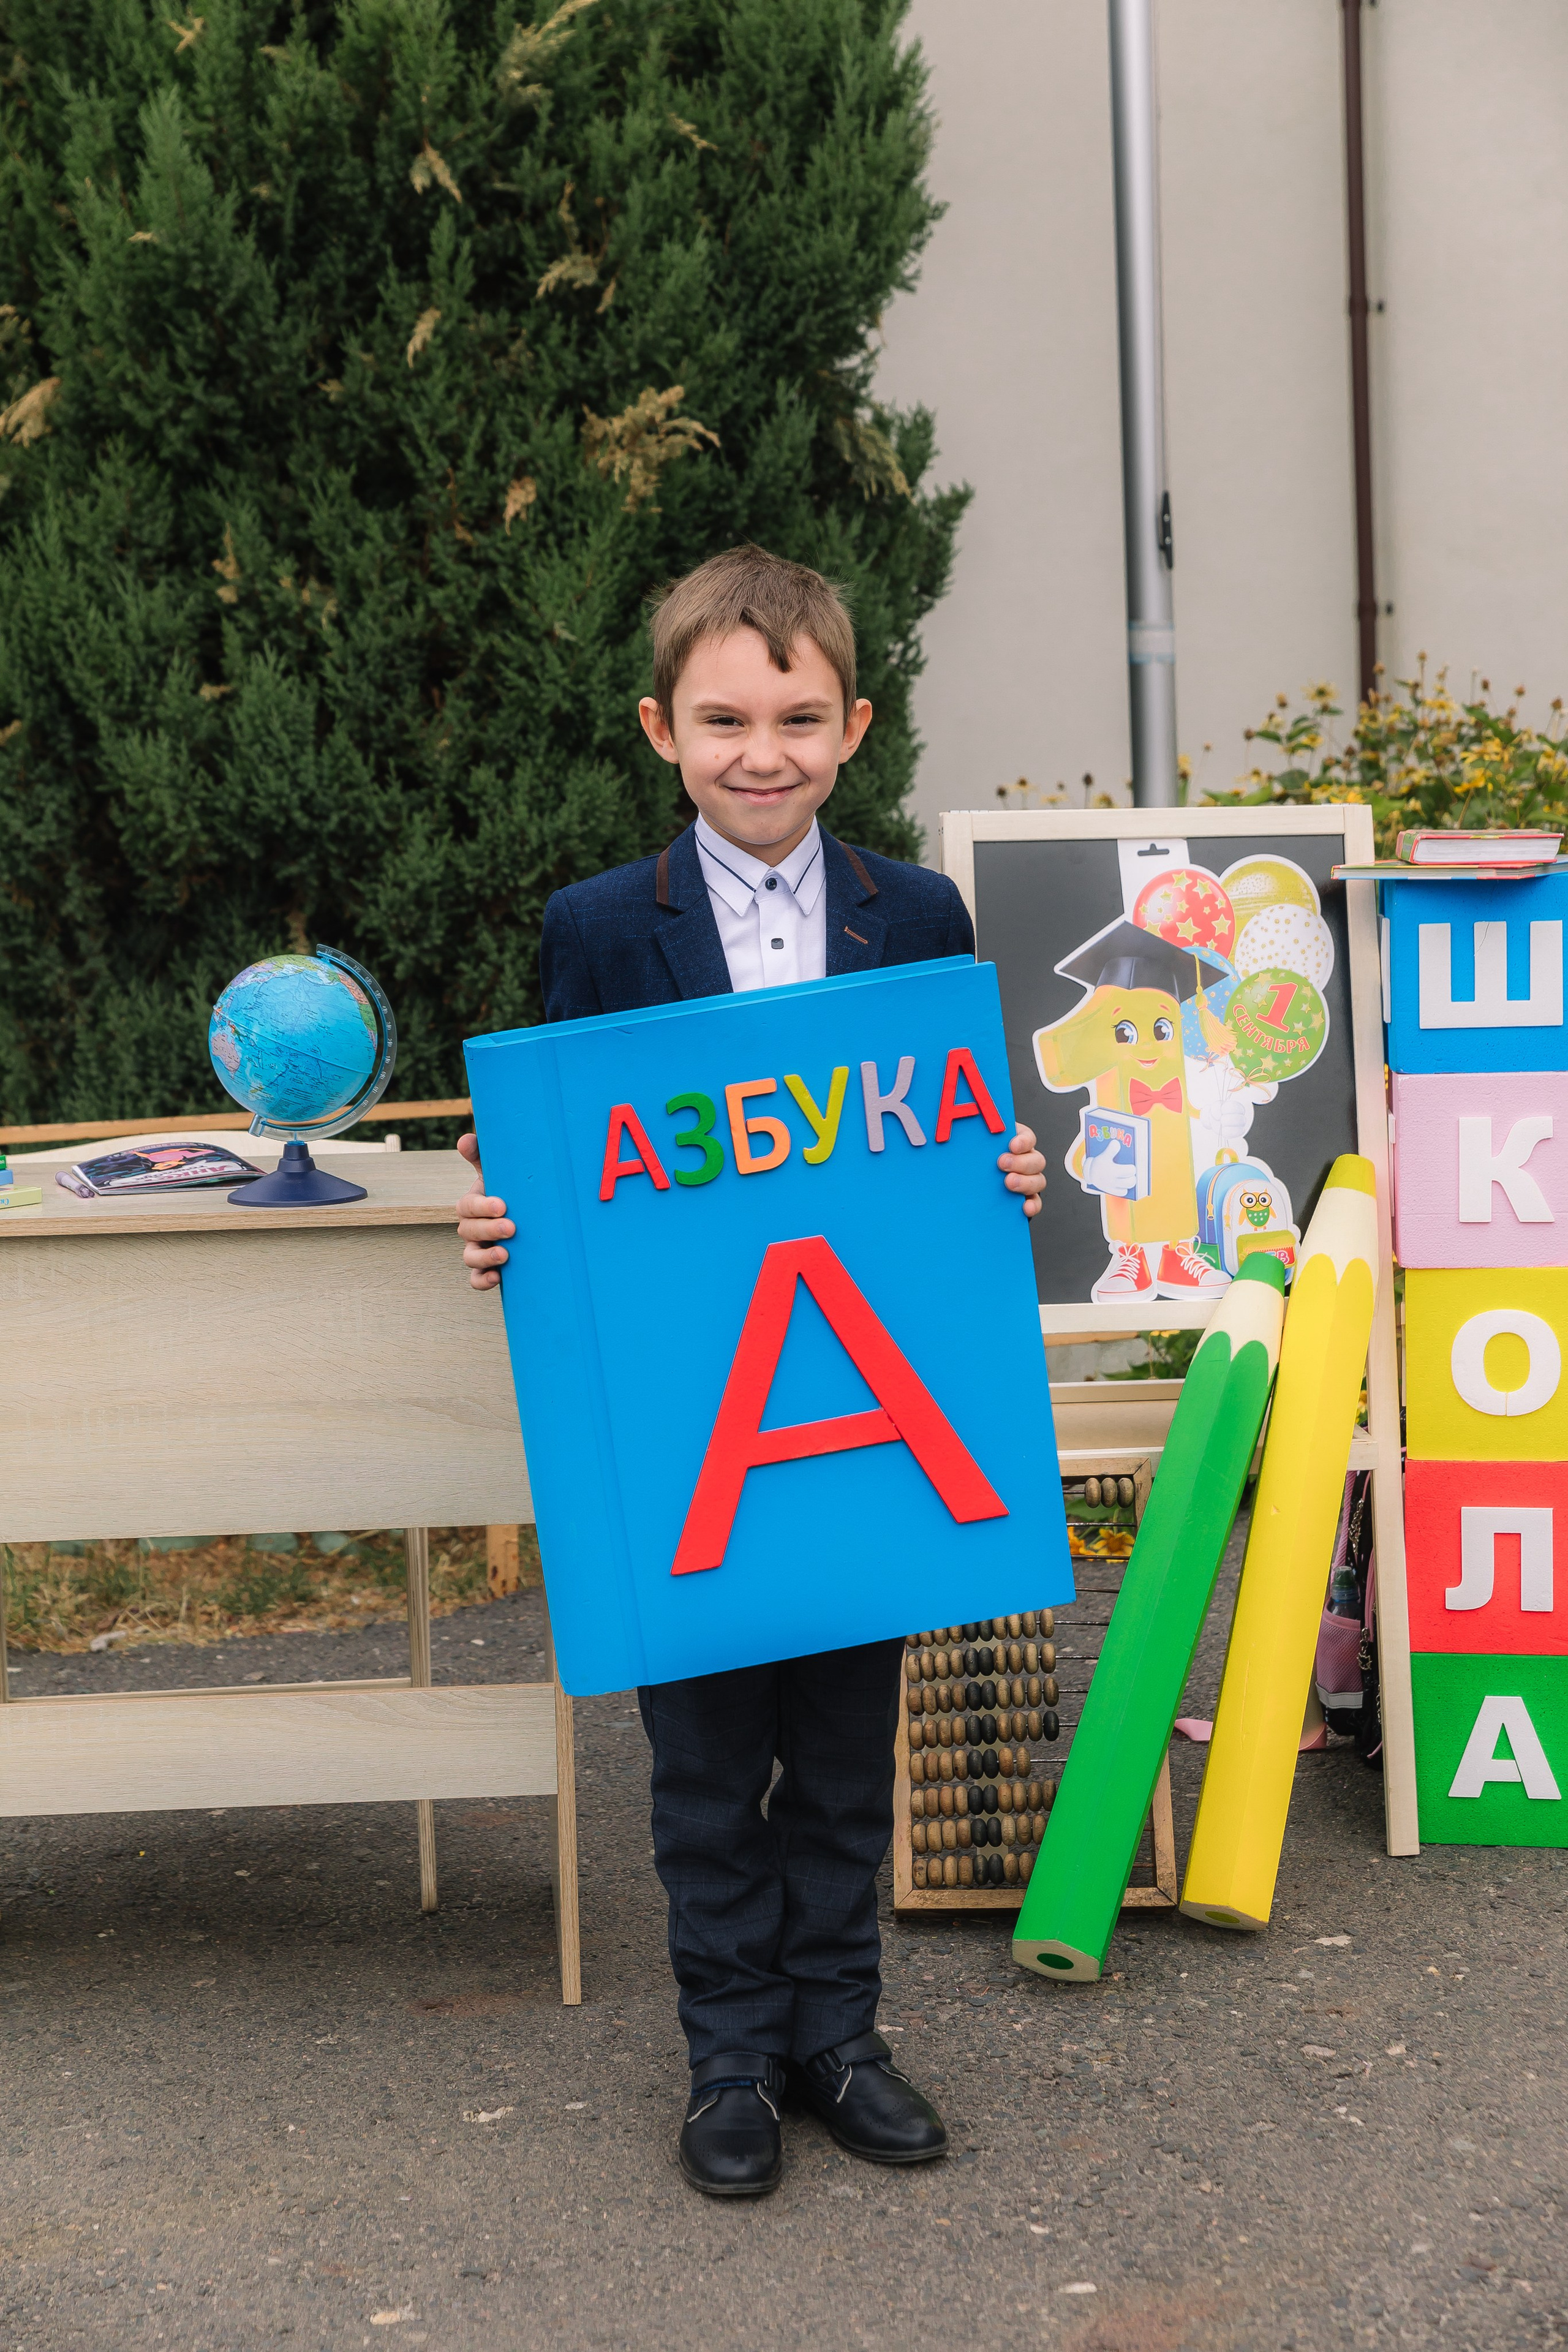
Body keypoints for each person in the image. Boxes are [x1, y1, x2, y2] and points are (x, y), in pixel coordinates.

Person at [456, 544, 1045, 2198]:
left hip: (865, 1420)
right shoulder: (596, 929)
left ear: (853, 726)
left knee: (849, 1756)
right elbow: (575, 1165)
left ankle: (835, 2037)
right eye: (725, 719)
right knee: (706, 1767)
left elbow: (951, 1141)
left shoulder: (916, 915)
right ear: (661, 728)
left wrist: (1002, 1176)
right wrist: (511, 1230)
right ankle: (729, 2054)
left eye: (796, 717)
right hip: (689, 1429)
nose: (761, 752)